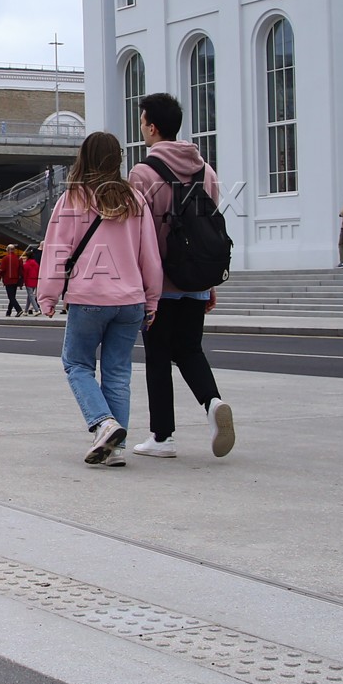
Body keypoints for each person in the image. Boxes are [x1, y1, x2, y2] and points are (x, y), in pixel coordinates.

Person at [35, 131, 161, 468]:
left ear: (84, 158)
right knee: (118, 372)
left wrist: (47, 295)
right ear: (117, 159)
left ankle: (104, 423)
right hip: (131, 300)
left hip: (89, 297)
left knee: (77, 364)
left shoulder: (73, 200)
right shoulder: (135, 200)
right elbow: (149, 254)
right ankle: (114, 450)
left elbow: (56, 251)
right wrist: (152, 299)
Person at [128, 92, 236, 460]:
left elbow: (137, 235)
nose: (141, 127)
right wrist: (207, 285)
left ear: (153, 126)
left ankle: (162, 437)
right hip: (196, 279)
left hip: (161, 283)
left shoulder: (142, 174)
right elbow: (209, 228)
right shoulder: (206, 170)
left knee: (157, 356)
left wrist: (142, 287)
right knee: (189, 349)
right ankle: (212, 403)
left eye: (142, 121)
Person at [0, 244, 26, 317]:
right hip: (16, 279)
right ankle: (9, 311)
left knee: (11, 297)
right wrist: (22, 281)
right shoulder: (19, 259)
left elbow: (2, 270)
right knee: (12, 296)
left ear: (8, 250)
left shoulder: (5, 258)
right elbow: (21, 270)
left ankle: (18, 309)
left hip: (8, 280)